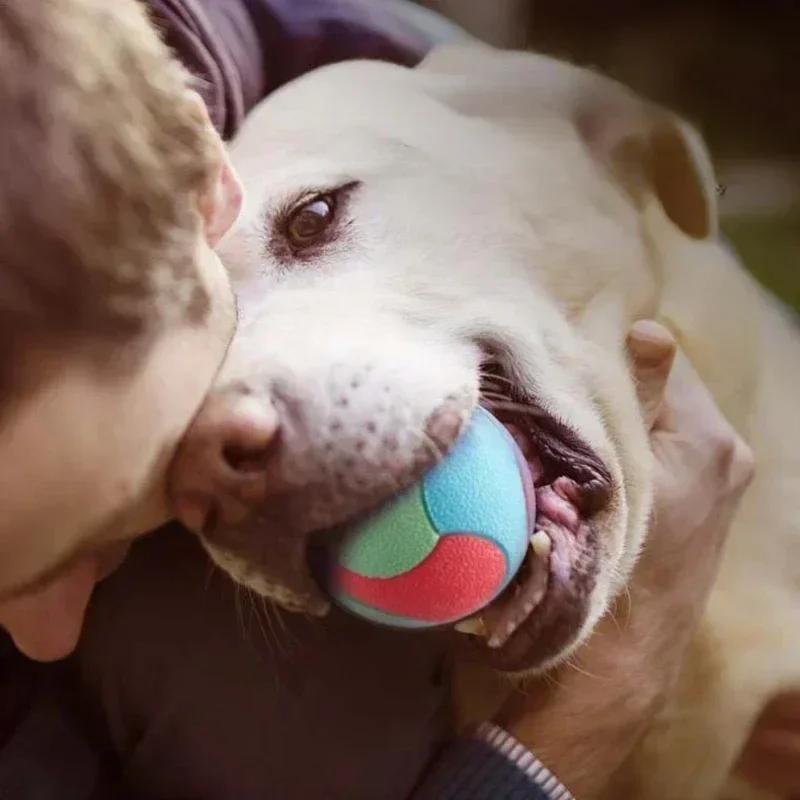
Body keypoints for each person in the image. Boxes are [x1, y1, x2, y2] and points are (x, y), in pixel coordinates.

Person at [0, 1, 778, 798]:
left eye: (312, 222)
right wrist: (572, 733)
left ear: (206, 179)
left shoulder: (390, 80)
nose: (238, 415)